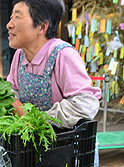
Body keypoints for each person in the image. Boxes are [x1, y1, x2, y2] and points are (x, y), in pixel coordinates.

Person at [6, 0, 101, 129]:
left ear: (42, 26)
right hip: (31, 143)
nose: (9, 25)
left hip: (63, 144)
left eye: (17, 17)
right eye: (11, 17)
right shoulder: (19, 55)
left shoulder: (62, 54)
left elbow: (85, 104)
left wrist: (38, 119)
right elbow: (13, 91)